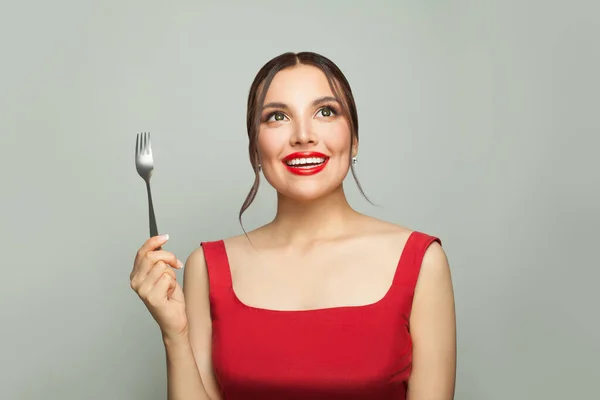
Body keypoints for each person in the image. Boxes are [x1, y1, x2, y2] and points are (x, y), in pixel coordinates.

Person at [130, 51, 457, 400]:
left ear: (355, 139)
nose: (303, 135)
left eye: (326, 112)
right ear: (255, 149)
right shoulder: (206, 267)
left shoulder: (423, 263)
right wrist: (174, 335)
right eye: (277, 117)